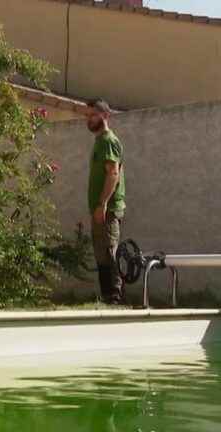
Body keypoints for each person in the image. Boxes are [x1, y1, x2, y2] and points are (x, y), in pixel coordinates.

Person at [85, 100, 126, 305]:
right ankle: (106, 297)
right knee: (101, 254)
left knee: (110, 253)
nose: (89, 119)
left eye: (93, 115)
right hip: (99, 209)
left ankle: (115, 298)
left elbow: (113, 174)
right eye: (87, 115)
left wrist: (103, 204)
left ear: (105, 116)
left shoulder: (109, 141)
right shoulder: (99, 141)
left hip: (108, 209)